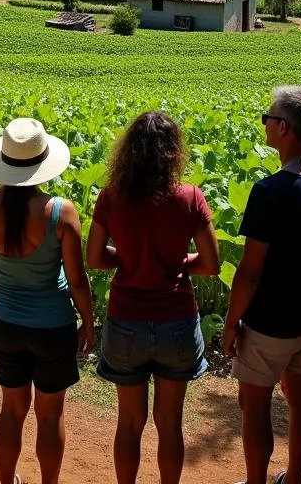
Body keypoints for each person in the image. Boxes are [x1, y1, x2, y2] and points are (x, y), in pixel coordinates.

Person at [86, 111, 220, 484]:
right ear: (173, 152)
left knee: (129, 422)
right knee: (170, 424)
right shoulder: (190, 197)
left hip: (126, 321)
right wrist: (175, 265)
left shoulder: (111, 197)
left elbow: (95, 258)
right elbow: (210, 264)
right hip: (176, 320)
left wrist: (130, 260)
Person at [223, 86, 301, 484]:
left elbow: (251, 270)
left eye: (268, 118)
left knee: (254, 406)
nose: (264, 123)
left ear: (284, 129)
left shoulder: (269, 191)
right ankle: (292, 479)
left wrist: (231, 321)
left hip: (269, 322)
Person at [0, 118, 95, 484]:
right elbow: (77, 280)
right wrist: (87, 322)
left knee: (11, 410)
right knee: (50, 415)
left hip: (7, 322)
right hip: (52, 327)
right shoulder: (61, 211)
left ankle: (7, 480)